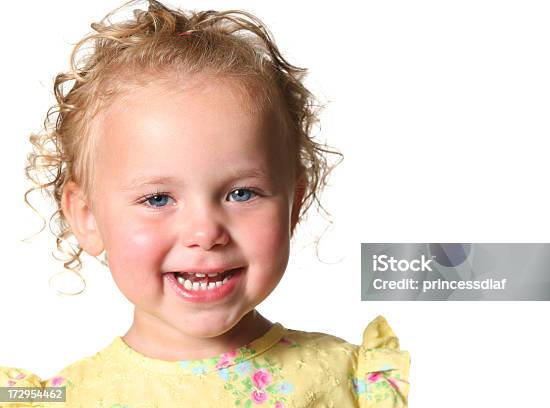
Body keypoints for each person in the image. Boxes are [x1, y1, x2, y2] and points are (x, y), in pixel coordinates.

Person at [2, 0, 410, 406]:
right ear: (87, 218)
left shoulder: (348, 381)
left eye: (242, 193)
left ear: (294, 203)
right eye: (158, 198)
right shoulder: (59, 400)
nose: (205, 233)